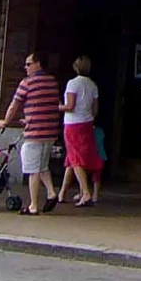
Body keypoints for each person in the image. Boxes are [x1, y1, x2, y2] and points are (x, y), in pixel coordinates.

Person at [0, 51, 64, 215]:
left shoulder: (27, 83)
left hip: (35, 132)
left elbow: (14, 105)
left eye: (28, 64)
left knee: (32, 169)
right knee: (42, 164)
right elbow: (47, 104)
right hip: (50, 131)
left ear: (38, 64)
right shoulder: (52, 81)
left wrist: (5, 121)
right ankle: (51, 192)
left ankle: (33, 205)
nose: (25, 67)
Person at [57, 55, 102, 208]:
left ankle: (86, 192)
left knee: (76, 159)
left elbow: (69, 106)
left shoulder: (72, 83)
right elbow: (95, 109)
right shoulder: (93, 85)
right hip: (87, 123)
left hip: (72, 124)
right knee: (73, 158)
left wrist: (58, 106)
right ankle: (62, 192)